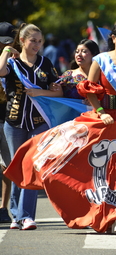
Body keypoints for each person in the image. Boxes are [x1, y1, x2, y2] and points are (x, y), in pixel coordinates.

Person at [4, 21, 116, 235]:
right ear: (113, 38)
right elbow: (90, 91)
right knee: (93, 164)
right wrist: (102, 112)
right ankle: (112, 217)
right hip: (104, 119)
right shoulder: (101, 61)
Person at [0, 23, 62, 230]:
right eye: (32, 40)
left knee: (32, 166)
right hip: (14, 123)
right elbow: (0, 71)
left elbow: (58, 92)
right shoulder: (12, 62)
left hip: (39, 122)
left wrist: (41, 92)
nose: (36, 44)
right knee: (17, 168)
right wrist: (7, 51)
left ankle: (27, 216)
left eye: (39, 41)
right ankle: (16, 216)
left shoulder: (46, 63)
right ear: (23, 41)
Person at [0, 21, 15, 223]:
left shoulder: (17, 60)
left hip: (7, 117)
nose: (6, 47)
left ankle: (3, 208)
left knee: (6, 164)